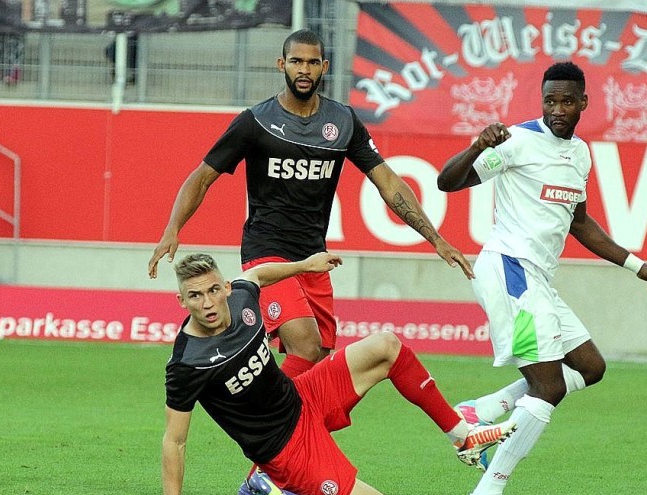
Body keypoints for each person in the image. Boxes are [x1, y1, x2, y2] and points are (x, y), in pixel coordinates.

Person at [148, 28, 473, 381]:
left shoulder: (343, 122)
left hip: (314, 258)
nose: (304, 69)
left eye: (312, 62)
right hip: (266, 251)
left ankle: (294, 432)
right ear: (281, 65)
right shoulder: (255, 122)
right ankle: (262, 417)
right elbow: (202, 177)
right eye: (296, 61)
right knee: (304, 347)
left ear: (324, 67)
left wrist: (435, 238)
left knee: (317, 359)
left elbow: (389, 182)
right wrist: (173, 228)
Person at [436, 61, 647, 495]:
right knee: (547, 386)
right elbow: (448, 182)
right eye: (550, 100)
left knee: (590, 367)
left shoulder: (580, 155)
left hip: (538, 281)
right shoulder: (515, 141)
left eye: (567, 101)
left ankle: (482, 411)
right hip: (510, 272)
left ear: (584, 103)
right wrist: (475, 146)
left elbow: (581, 223)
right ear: (541, 100)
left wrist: (637, 264)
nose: (558, 109)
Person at [160, 251, 515, 495]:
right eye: (194, 296)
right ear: (181, 301)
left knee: (386, 346)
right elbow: (174, 439)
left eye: (212, 291)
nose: (207, 303)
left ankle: (462, 436)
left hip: (304, 395)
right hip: (286, 448)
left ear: (224, 287)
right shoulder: (188, 363)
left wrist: (305, 265)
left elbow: (255, 274)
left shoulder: (240, 299)